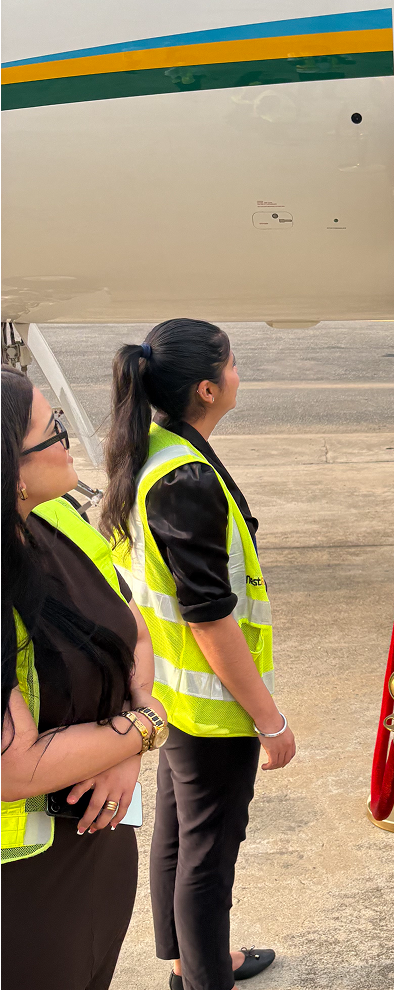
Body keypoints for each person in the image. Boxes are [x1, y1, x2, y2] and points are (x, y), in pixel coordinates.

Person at [101, 319, 296, 990]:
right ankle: (205, 977)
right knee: (207, 861)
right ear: (208, 389)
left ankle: (189, 964)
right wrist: (269, 719)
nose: (242, 374)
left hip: (175, 692)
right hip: (211, 704)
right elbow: (210, 616)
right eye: (235, 365)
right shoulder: (184, 477)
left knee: (179, 838)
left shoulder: (153, 449)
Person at [1, 366, 169, 988]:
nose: (68, 440)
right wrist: (145, 726)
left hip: (97, 839)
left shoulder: (57, 520)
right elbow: (12, 768)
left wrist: (127, 744)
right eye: (52, 434)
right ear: (9, 468)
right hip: (25, 882)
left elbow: (134, 632)